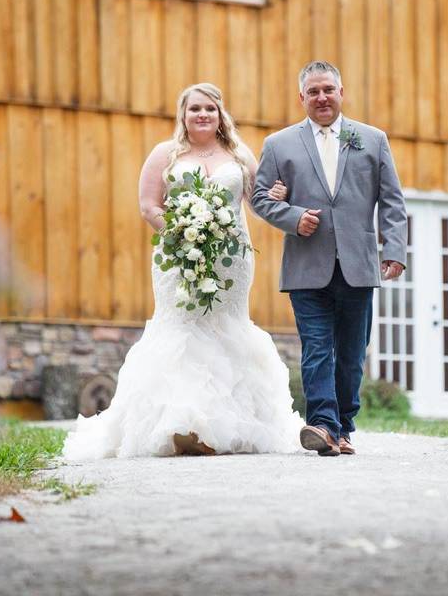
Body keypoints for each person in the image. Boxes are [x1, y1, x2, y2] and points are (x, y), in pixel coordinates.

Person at [62, 83, 302, 459]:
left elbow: (257, 203)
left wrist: (276, 198)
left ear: (221, 114)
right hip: (178, 256)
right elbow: (148, 206)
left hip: (231, 260)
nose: (203, 115)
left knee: (226, 326)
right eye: (195, 109)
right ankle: (182, 425)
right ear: (183, 114)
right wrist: (180, 234)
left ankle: (229, 425)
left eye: (210, 108)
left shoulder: (239, 156)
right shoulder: (166, 154)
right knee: (182, 328)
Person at [251, 61, 408, 457]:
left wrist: (394, 250)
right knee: (317, 347)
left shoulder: (372, 140)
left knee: (352, 353)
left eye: (328, 90)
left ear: (341, 92)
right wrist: (292, 216)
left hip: (358, 264)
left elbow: (391, 200)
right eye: (314, 91)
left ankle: (343, 427)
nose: (322, 97)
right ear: (301, 97)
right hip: (306, 265)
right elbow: (259, 199)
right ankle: (321, 423)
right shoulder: (279, 144)